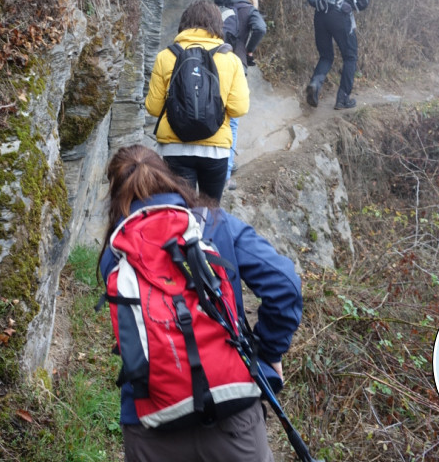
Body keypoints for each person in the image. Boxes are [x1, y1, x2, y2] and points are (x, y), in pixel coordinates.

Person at [99, 144, 303, 462]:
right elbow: (284, 282)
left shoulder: (115, 254)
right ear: (170, 179)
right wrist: (269, 351)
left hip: (152, 424)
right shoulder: (216, 224)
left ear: (115, 196)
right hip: (233, 414)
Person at [145, 0, 250, 202]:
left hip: (174, 148)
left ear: (184, 24)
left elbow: (153, 107)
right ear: (217, 25)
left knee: (181, 213)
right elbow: (239, 108)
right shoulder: (231, 60)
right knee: (209, 214)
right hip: (216, 150)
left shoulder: (165, 57)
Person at [214, 0, 267, 191]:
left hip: (214, 64)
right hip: (235, 67)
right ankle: (225, 175)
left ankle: (216, 165)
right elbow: (261, 28)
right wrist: (249, 49)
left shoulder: (221, 6)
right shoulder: (248, 9)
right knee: (232, 120)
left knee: (215, 115)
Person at [305, 0, 369, 110]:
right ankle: (343, 99)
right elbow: (364, 2)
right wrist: (352, 6)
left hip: (319, 14)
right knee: (350, 56)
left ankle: (315, 85)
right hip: (339, 17)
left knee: (326, 55)